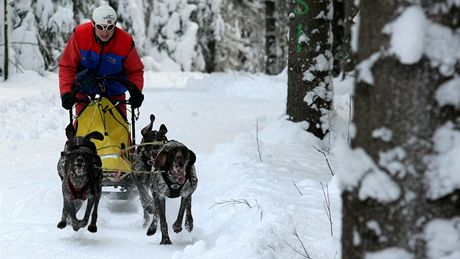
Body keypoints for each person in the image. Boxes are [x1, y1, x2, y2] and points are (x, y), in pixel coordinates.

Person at [59, 5, 144, 118]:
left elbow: (135, 71)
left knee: (119, 128)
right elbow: (67, 66)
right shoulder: (80, 35)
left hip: (114, 87)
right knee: (83, 127)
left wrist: (135, 91)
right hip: (84, 86)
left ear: (115, 24)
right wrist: (66, 92)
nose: (105, 32)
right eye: (100, 27)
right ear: (93, 24)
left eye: (109, 27)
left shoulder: (125, 41)